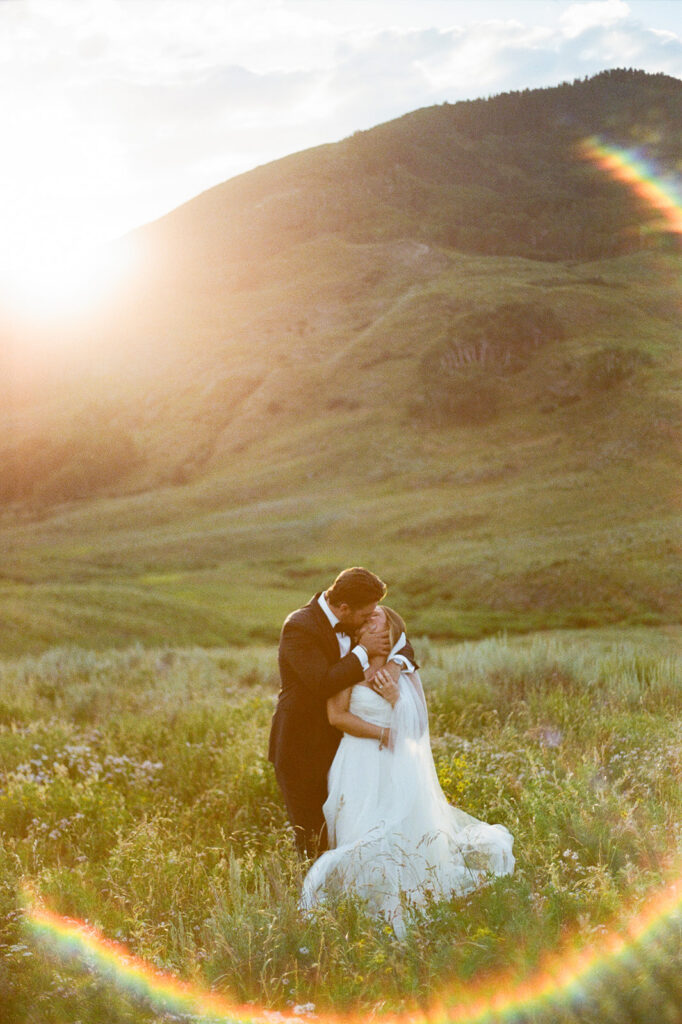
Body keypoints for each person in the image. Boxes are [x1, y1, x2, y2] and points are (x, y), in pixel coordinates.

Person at [300, 605, 515, 937]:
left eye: (377, 618)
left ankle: (402, 904)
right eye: (366, 617)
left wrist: (395, 698)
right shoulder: (349, 665)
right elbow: (337, 716)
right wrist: (383, 733)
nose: (368, 619)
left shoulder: (402, 668)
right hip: (357, 763)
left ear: (390, 631)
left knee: (399, 832)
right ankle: (362, 905)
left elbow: (418, 728)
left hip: (395, 765)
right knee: (360, 830)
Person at [268, 567, 417, 859]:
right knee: (312, 838)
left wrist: (395, 663)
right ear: (345, 608)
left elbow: (401, 638)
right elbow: (322, 683)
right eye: (366, 614)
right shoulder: (300, 626)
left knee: (349, 831)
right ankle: (312, 902)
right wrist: (363, 651)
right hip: (300, 748)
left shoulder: (353, 619)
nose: (370, 619)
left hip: (344, 750)